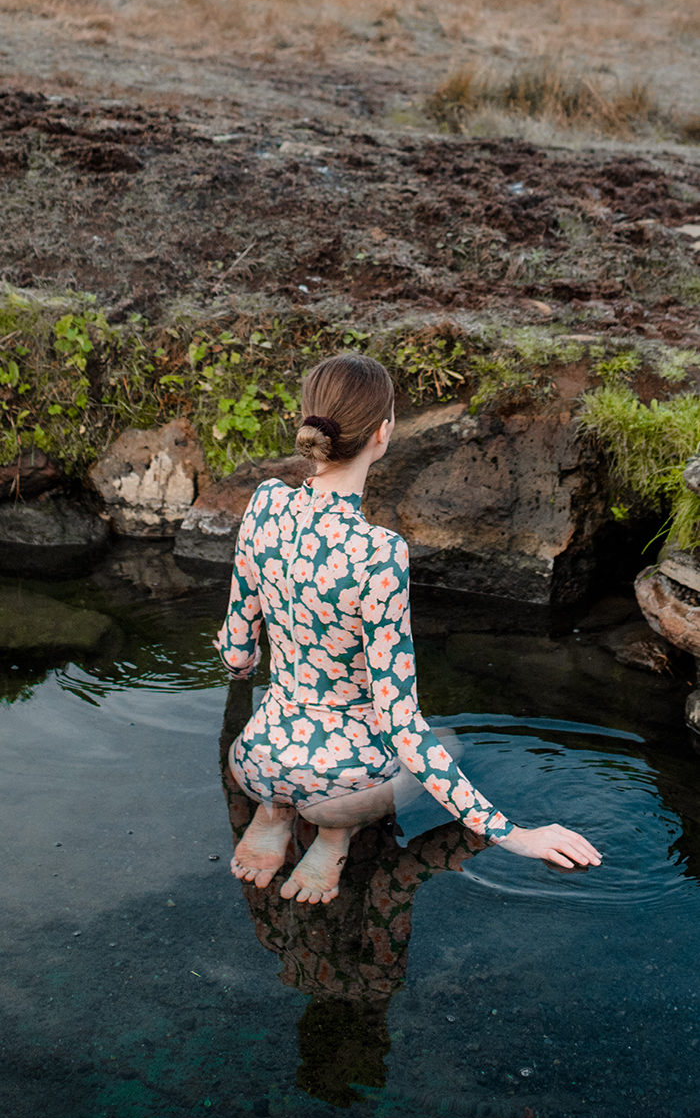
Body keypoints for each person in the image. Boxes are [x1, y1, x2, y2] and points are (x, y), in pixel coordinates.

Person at [216, 353, 602, 904]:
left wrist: (262, 663)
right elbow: (404, 726)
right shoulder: (378, 553)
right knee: (448, 743)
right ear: (383, 431)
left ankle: (272, 813)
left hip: (253, 761)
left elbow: (235, 655)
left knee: (288, 748)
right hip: (336, 791)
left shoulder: (265, 503)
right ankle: (332, 835)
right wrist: (515, 834)